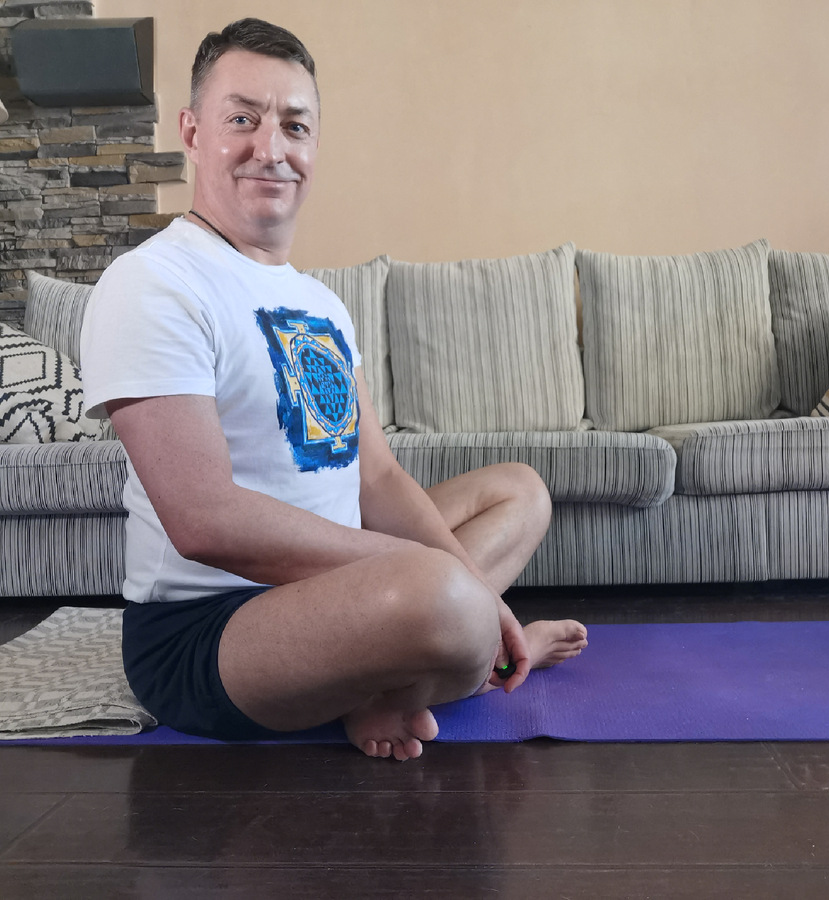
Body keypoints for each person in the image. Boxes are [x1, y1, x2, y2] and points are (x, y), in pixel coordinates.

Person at [79, 18, 587, 761]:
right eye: (242, 119)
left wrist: (444, 578)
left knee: (521, 492)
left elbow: (375, 477)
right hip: (207, 630)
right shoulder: (153, 282)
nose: (271, 148)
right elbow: (203, 521)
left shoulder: (321, 303)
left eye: (295, 125)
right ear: (191, 131)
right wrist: (436, 579)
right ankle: (462, 655)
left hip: (345, 589)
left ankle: (409, 669)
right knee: (446, 598)